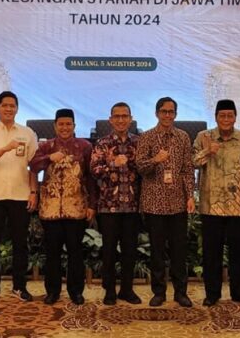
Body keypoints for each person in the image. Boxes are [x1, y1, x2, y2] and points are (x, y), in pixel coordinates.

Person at [193, 99, 240, 307]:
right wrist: (207, 151)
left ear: (235, 117)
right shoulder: (203, 137)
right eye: (222, 115)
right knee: (211, 254)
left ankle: (239, 293)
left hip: (238, 206)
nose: (226, 119)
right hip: (211, 206)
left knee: (238, 253)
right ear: (216, 117)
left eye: (230, 115)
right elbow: (192, 162)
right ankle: (212, 294)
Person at [30, 108, 96, 305]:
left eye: (68, 124)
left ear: (74, 126)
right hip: (50, 209)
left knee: (75, 252)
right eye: (61, 124)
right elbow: (33, 166)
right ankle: (52, 291)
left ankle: (76, 292)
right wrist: (48, 158)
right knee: (52, 253)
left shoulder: (85, 146)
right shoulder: (45, 146)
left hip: (76, 207)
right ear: (55, 126)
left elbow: (90, 177)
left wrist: (92, 204)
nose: (65, 128)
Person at [0, 91, 38, 303]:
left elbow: (34, 166)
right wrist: (5, 148)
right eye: (5, 105)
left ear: (17, 109)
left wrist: (33, 192)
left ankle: (20, 287)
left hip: (20, 195)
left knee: (20, 244)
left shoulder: (28, 133)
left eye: (12, 105)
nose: (9, 109)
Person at [136, 96, 195, 308]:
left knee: (179, 251)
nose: (167, 115)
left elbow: (187, 169)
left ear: (176, 114)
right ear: (156, 113)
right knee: (157, 251)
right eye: (164, 111)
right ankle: (159, 292)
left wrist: (190, 195)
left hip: (178, 202)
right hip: (154, 203)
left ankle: (181, 292)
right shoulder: (147, 137)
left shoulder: (183, 137)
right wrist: (155, 160)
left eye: (171, 112)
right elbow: (140, 168)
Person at [90, 102, 143, 305]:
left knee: (130, 250)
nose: (121, 120)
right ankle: (110, 290)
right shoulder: (102, 143)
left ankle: (127, 290)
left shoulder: (139, 142)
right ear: (110, 120)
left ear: (131, 119)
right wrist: (112, 164)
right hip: (108, 206)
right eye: (117, 116)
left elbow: (145, 170)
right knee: (109, 251)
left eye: (124, 116)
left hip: (132, 206)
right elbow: (94, 170)